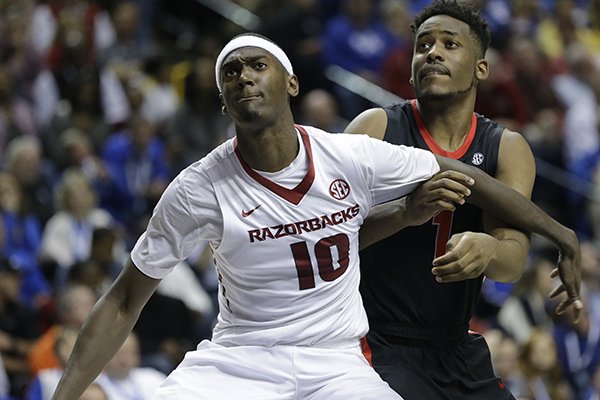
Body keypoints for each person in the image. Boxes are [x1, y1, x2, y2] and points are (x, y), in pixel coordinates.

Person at [51, 32, 581, 400]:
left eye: (259, 66)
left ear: (291, 84)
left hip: (335, 361)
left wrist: (562, 236)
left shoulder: (350, 155)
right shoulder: (197, 188)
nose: (244, 77)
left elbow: (473, 179)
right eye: (231, 72)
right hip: (242, 358)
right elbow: (123, 300)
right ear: (222, 101)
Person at [343, 1, 582, 399]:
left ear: (481, 68)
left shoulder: (506, 147)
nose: (432, 52)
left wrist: (488, 250)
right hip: (374, 340)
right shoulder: (374, 128)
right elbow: (328, 240)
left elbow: (511, 262)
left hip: (456, 345)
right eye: (423, 46)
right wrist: (403, 213)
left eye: (450, 44)